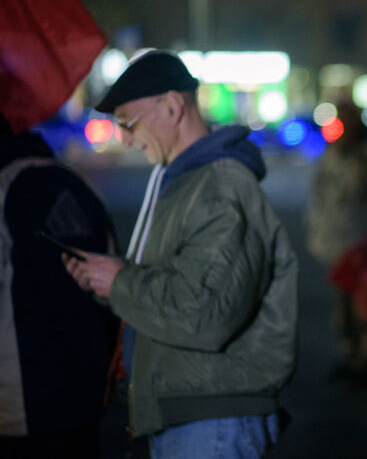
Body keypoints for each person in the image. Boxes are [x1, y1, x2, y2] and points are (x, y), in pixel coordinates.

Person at [60, 50, 298, 458]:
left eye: (128, 124)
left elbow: (203, 314)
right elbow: (181, 285)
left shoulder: (219, 186)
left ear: (172, 107)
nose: (125, 139)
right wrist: (106, 281)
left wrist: (118, 280)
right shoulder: (187, 182)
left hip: (212, 424)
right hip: (195, 418)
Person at [0, 116, 119, 459]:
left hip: (20, 404)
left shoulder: (5, 187)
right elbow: (115, 284)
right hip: (85, 394)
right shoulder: (79, 185)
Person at [306, 96, 367, 384]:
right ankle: (351, 356)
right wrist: (315, 232)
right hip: (337, 243)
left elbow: (364, 190)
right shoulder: (334, 150)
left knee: (364, 306)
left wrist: (348, 154)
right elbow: (320, 194)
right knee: (343, 308)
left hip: (363, 241)